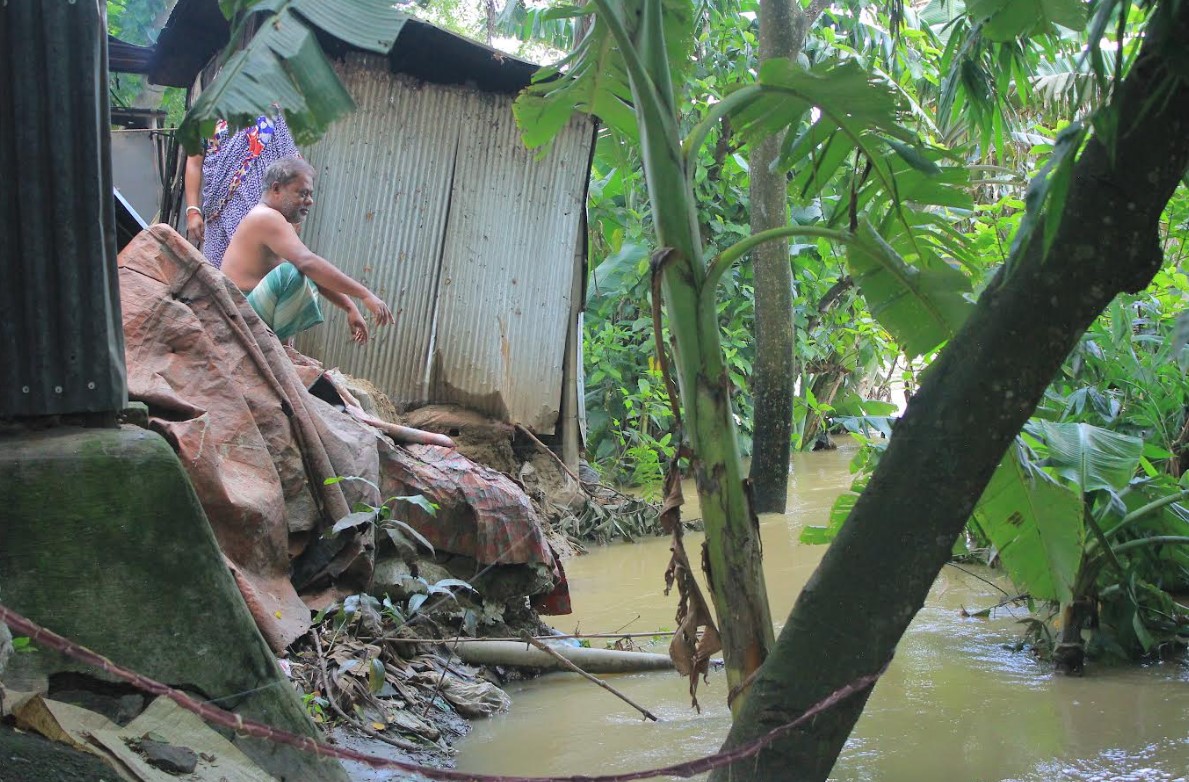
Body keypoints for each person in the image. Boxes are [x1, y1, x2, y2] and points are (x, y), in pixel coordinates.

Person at [221, 157, 394, 344]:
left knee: (297, 272)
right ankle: (277, 350)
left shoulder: (273, 219)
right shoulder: (266, 217)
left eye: (310, 194)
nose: (310, 201)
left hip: (243, 311)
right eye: (302, 193)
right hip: (238, 314)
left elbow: (309, 268)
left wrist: (349, 306)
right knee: (291, 275)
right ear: (277, 189)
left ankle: (280, 351)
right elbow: (307, 264)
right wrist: (364, 294)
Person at [184, 111, 301, 268]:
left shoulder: (269, 115)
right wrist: (193, 211)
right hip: (218, 215)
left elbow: (292, 163)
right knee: (216, 281)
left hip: (261, 215)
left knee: (260, 280)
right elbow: (193, 164)